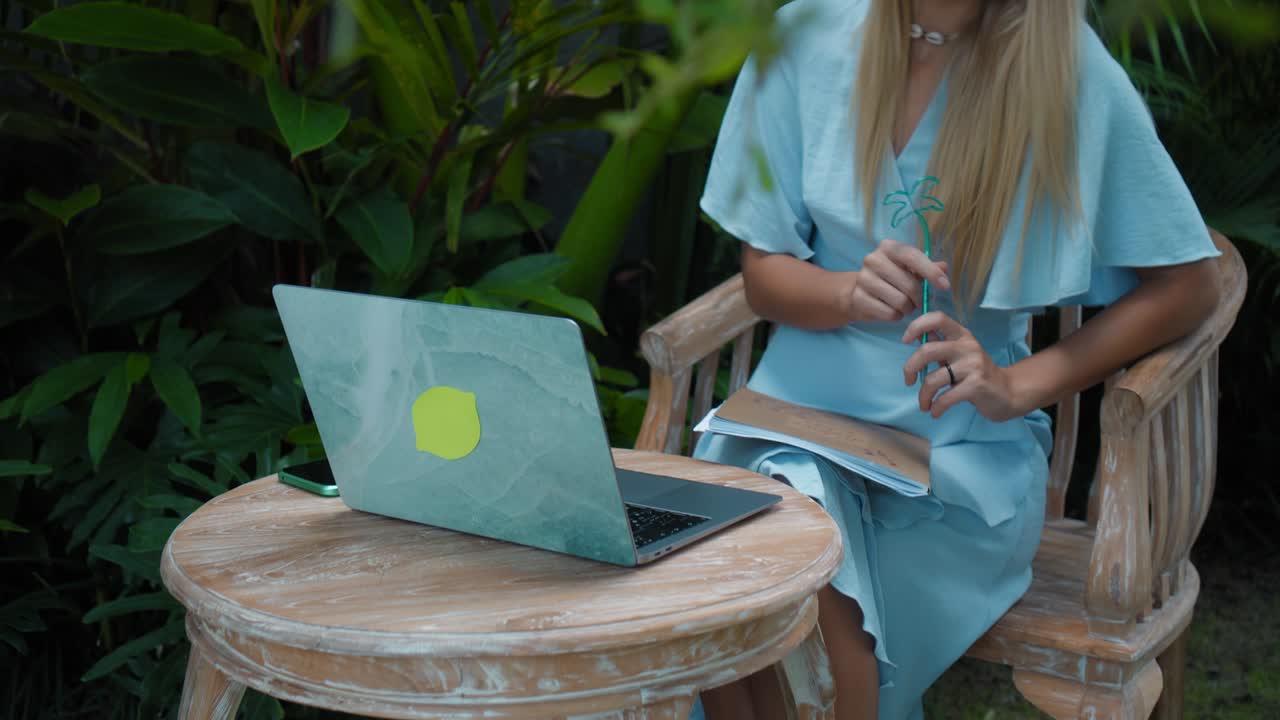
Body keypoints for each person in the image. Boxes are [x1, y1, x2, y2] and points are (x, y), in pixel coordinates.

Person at [691, 0, 1221, 718]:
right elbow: (763, 276)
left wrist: (1021, 384)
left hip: (955, 453)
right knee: (733, 579)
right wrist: (847, 290)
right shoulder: (805, 33)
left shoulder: (1067, 72)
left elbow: (1190, 284)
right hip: (787, 419)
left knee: (818, 583)